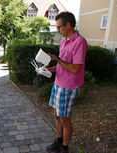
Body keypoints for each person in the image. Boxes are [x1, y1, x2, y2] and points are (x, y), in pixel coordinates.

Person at [45, 12, 88, 153]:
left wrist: (57, 59)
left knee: (65, 120)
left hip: (68, 87)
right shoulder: (63, 41)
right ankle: (58, 141)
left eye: (59, 27)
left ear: (68, 25)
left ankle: (64, 148)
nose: (57, 31)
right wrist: (49, 69)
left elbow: (75, 68)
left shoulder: (80, 42)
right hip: (58, 84)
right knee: (57, 116)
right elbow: (61, 65)